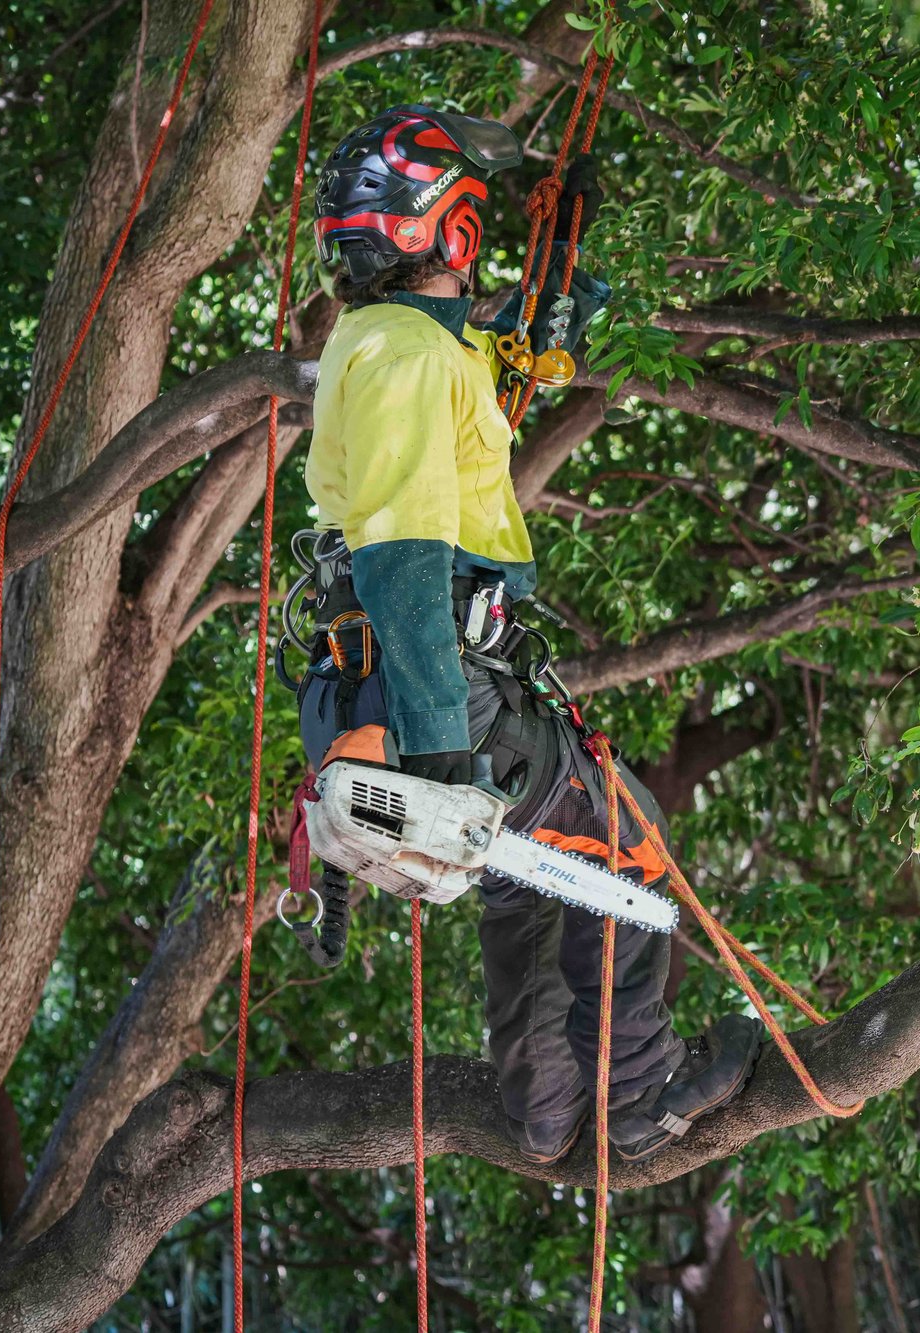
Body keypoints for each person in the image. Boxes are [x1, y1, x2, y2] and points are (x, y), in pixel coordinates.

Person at [288, 105, 758, 1165]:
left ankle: (546, 1108)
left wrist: (558, 289)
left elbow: (496, 380)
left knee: (525, 873)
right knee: (622, 846)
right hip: (439, 686)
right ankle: (639, 1094)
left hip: (389, 684)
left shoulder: (393, 344)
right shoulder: (410, 358)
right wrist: (445, 759)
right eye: (477, 228)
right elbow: (404, 561)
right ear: (450, 233)